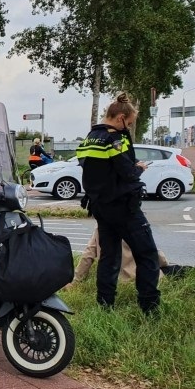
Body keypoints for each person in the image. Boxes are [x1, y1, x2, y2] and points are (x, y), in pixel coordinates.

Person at [75, 92, 161, 316]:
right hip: (124, 207)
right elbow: (128, 173)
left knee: (109, 257)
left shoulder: (89, 138)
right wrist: (139, 167)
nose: (129, 128)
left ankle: (104, 306)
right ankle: (150, 308)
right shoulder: (115, 139)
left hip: (100, 207)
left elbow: (96, 169)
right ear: (120, 117)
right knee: (147, 254)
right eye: (129, 123)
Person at [67, 227, 193, 287]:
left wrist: (76, 280)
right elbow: (153, 254)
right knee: (172, 269)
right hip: (139, 276)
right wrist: (164, 262)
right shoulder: (134, 226)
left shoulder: (101, 228)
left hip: (113, 279)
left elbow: (88, 256)